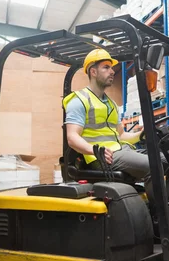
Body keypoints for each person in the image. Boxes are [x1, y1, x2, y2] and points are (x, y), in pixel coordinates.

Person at [63, 48, 152, 182]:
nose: (112, 72)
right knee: (153, 166)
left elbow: (121, 135)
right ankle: (158, 203)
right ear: (93, 72)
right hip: (99, 158)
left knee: (167, 160)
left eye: (111, 68)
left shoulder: (111, 104)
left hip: (119, 151)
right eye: (106, 67)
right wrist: (96, 151)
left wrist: (141, 135)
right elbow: (72, 137)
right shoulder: (79, 100)